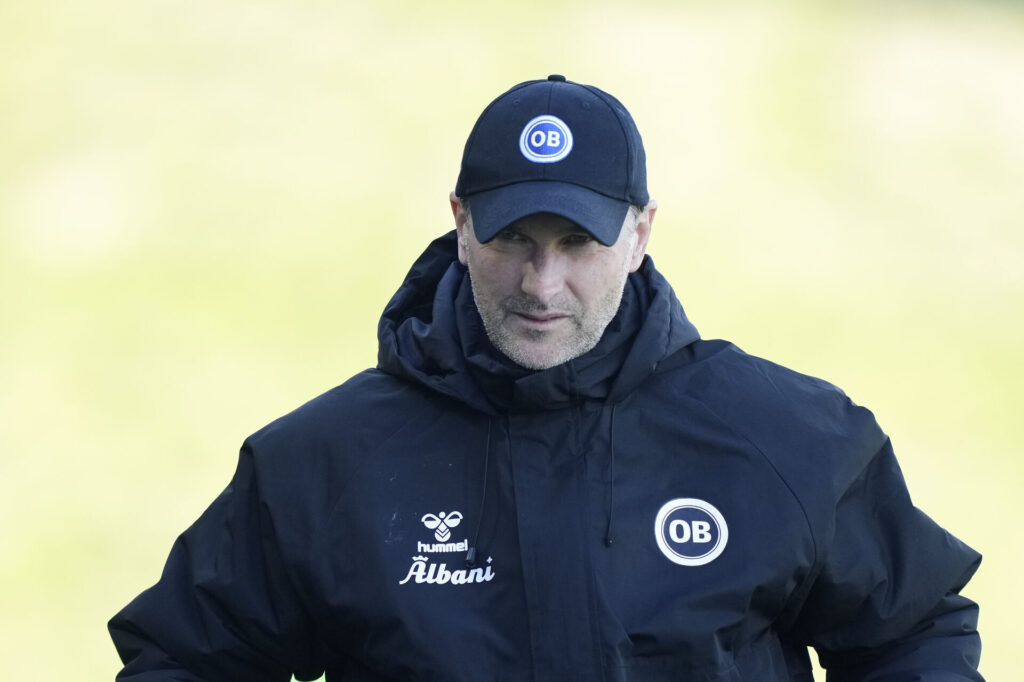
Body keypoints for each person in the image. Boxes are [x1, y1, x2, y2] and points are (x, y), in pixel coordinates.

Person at [109, 75, 983, 681]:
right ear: (461, 224)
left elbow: (912, 631)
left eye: (577, 244)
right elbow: (184, 657)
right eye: (514, 240)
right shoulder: (321, 464)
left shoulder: (788, 439)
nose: (541, 284)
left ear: (640, 234)